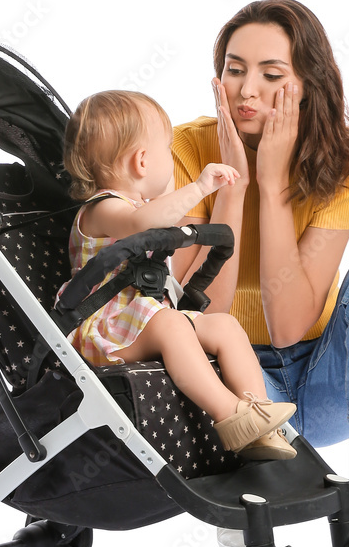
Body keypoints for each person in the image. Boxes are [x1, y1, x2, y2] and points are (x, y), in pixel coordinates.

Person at [171, 0, 349, 540]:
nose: (246, 91)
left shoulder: (344, 158)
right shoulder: (188, 148)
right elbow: (204, 309)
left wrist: (276, 183)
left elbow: (288, 325)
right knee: (197, 332)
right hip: (236, 385)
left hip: (323, 380)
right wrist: (234, 187)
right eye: (234, 70)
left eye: (271, 75)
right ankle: (253, 474)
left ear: (307, 82)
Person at [60, 89, 298, 460]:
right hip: (108, 329)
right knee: (171, 324)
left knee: (223, 325)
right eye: (167, 152)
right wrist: (200, 187)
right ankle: (230, 416)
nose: (172, 161)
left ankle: (259, 413)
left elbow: (155, 212)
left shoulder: (142, 205)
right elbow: (142, 223)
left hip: (143, 319)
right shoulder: (103, 209)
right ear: (142, 161)